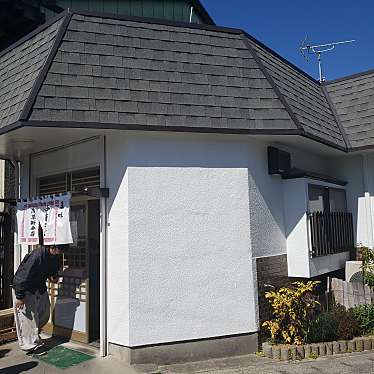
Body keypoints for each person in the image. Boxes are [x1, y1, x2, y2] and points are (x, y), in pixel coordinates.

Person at [12, 244, 69, 353]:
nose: (59, 254)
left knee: (45, 312)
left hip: (39, 287)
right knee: (28, 318)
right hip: (25, 288)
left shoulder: (55, 256)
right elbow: (22, 275)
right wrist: (19, 296)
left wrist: (54, 277)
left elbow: (53, 270)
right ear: (53, 247)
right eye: (59, 251)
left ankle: (34, 336)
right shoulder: (37, 255)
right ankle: (31, 346)